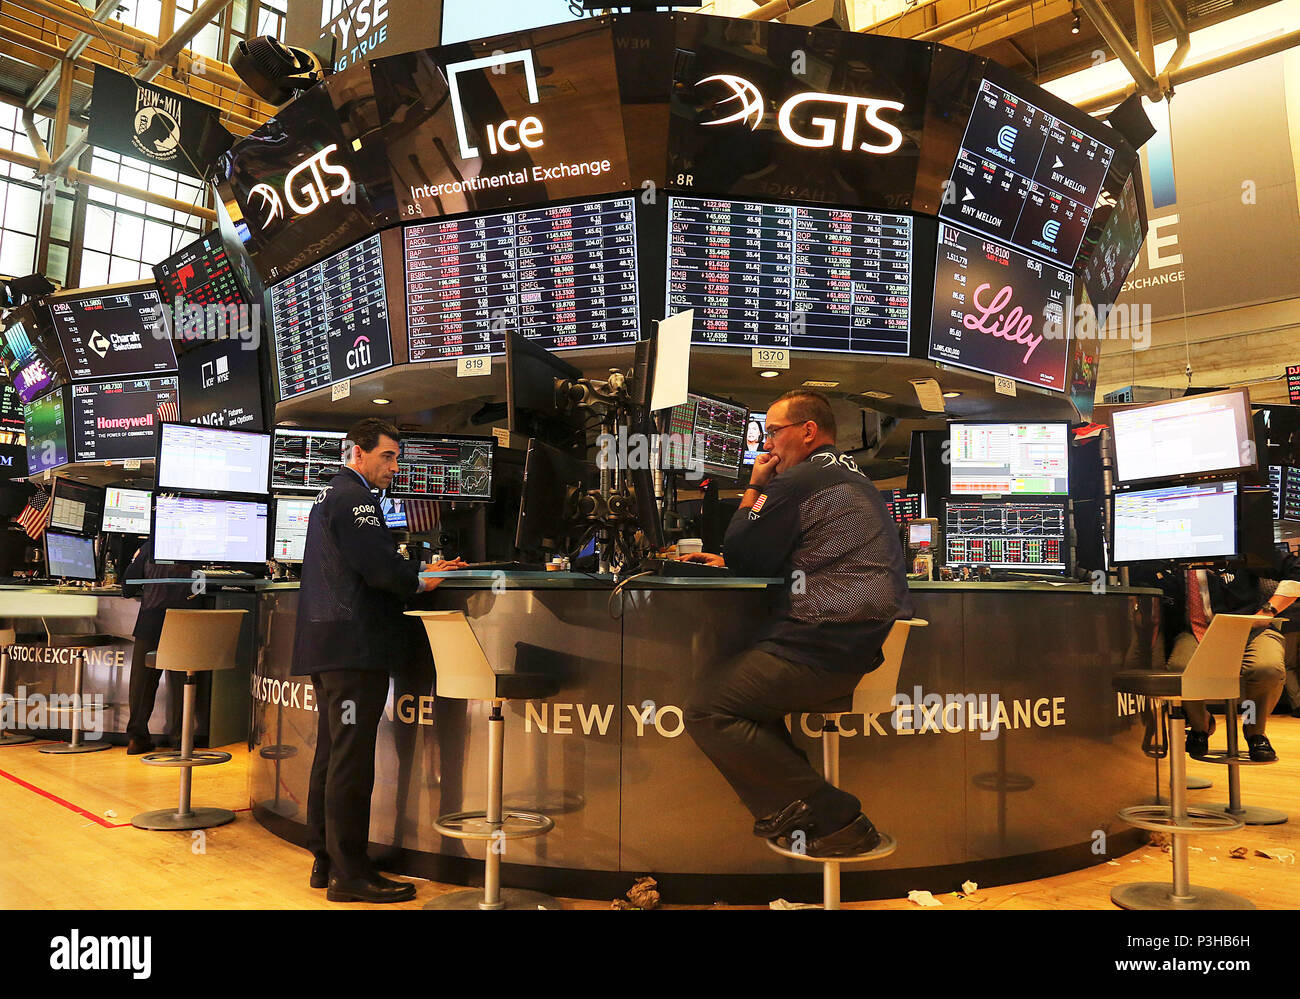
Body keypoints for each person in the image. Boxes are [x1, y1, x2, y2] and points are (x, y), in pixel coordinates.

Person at [679, 390, 912, 857]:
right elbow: (785, 554)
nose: (765, 446)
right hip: (854, 643)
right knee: (748, 707)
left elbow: (745, 555)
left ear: (807, 432)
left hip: (820, 644)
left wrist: (755, 484)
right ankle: (799, 806)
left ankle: (837, 817)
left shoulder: (798, 480)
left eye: (772, 433)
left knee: (709, 710)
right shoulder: (854, 477)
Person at [291, 418, 464, 903]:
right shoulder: (356, 497)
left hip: (329, 647)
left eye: (395, 457)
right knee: (350, 762)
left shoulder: (331, 495)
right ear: (358, 453)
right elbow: (378, 567)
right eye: (387, 456)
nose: (394, 466)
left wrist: (411, 571)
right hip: (353, 645)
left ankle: (326, 860)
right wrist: (419, 579)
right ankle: (351, 875)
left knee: (331, 755)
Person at [1165, 559, 1300, 762]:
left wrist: (1267, 611)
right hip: (1195, 630)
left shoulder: (1242, 549)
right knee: (1179, 669)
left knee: (1267, 668)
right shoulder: (1175, 556)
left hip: (1251, 627)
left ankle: (1254, 729)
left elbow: (1295, 569)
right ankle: (1201, 724)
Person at [122, 539, 195, 755]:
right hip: (186, 620)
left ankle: (137, 738)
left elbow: (128, 586)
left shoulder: (149, 545)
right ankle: (181, 739)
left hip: (151, 619)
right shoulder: (197, 544)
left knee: (142, 683)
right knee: (184, 682)